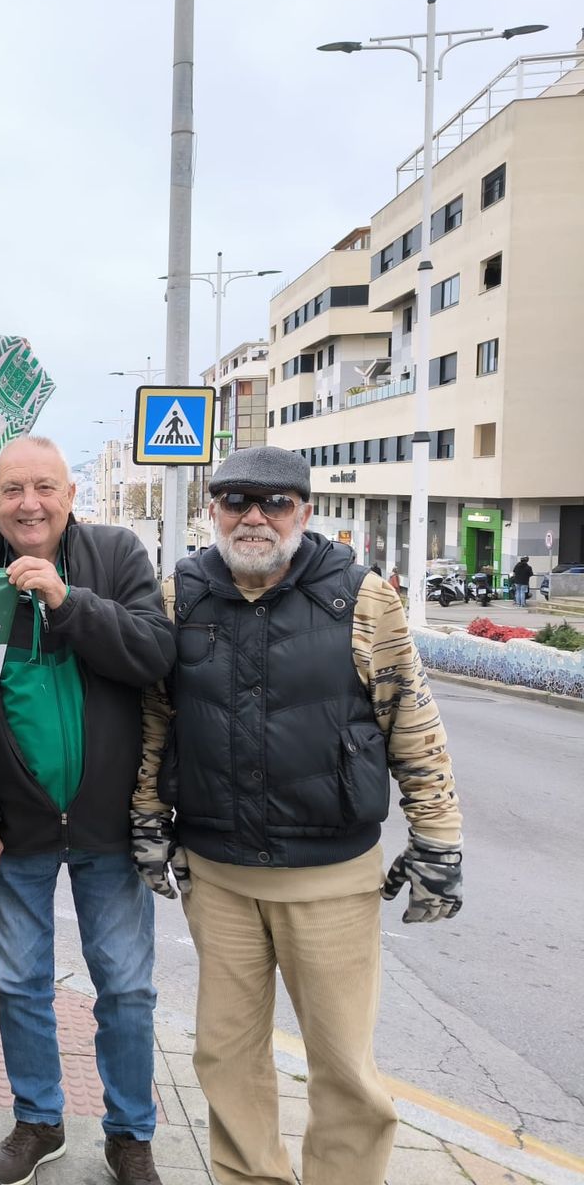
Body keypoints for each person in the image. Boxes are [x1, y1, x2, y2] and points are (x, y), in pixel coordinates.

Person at [132, 446, 463, 1185]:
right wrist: (149, 818)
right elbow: (158, 716)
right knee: (224, 1055)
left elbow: (411, 720)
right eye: (236, 500)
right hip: (218, 875)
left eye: (275, 502)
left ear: (305, 512)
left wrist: (438, 838)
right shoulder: (181, 593)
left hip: (331, 879)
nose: (254, 517)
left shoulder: (360, 595)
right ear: (211, 509)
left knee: (344, 1069)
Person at [0, 436, 175, 1185]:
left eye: (44, 487)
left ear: (70, 495)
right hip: (13, 834)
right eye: (12, 490)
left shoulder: (116, 555)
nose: (29, 503)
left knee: (128, 989)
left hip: (110, 829)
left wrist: (65, 600)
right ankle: (38, 1122)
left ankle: (129, 1134)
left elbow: (151, 654)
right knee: (20, 983)